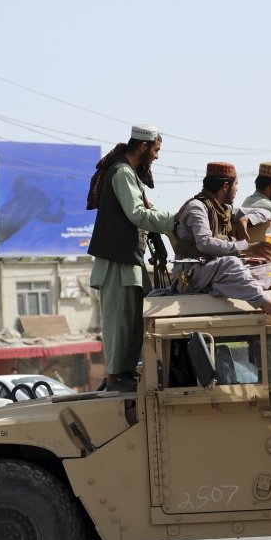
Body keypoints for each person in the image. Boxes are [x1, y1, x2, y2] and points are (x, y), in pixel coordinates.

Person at [87, 124, 182, 392]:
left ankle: (125, 373)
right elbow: (138, 215)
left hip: (129, 262)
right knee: (120, 322)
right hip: (116, 262)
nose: (157, 156)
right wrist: (175, 220)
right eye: (156, 150)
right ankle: (117, 377)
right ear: (143, 147)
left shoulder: (129, 174)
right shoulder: (121, 173)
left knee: (135, 321)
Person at [171, 162, 271, 333]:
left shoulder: (226, 210)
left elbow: (266, 212)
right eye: (236, 184)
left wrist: (246, 219)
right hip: (192, 272)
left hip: (216, 270)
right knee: (231, 264)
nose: (237, 189)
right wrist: (246, 247)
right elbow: (205, 243)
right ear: (226, 186)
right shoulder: (197, 207)